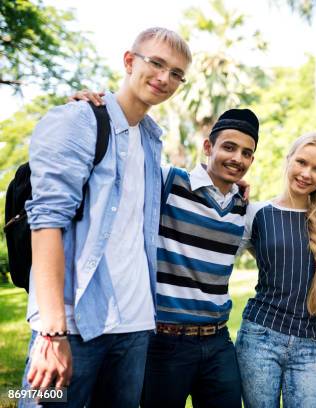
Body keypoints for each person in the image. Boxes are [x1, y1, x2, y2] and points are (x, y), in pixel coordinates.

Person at [22, 28, 191, 407]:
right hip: (73, 325)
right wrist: (52, 332)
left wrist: (232, 183)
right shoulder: (79, 120)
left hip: (134, 327)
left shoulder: (151, 140)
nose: (165, 78)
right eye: (157, 63)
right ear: (130, 61)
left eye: (177, 73)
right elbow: (46, 221)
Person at [139, 109, 258, 408]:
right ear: (208, 147)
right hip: (165, 341)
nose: (237, 158)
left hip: (218, 342)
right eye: (229, 147)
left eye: (246, 153)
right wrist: (93, 107)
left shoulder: (241, 208)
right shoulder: (169, 181)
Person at [236, 132, 316, 408]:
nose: (307, 173)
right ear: (288, 160)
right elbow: (219, 252)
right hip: (260, 338)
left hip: (312, 344)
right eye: (302, 162)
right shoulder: (256, 213)